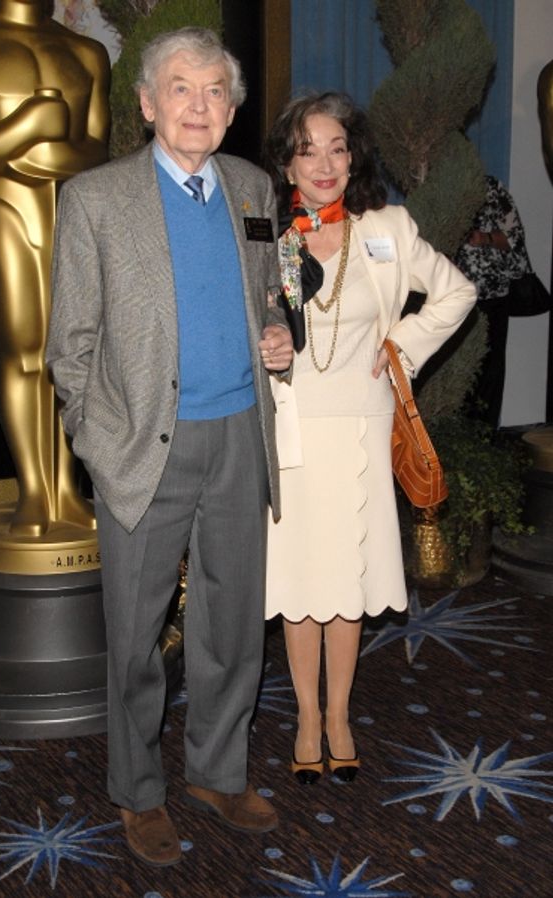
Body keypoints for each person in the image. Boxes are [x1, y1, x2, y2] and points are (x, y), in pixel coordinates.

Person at [46, 27, 293, 866]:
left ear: (232, 108)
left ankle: (218, 773)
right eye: (180, 88)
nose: (199, 105)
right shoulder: (95, 199)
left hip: (241, 436)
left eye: (215, 90)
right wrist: (98, 440)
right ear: (149, 104)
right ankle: (138, 791)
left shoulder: (254, 187)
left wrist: (278, 333)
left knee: (234, 625)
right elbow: (69, 346)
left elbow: (269, 295)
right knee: (136, 635)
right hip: (143, 448)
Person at [262, 92, 476, 785]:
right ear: (287, 163)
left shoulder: (387, 227)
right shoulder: (267, 235)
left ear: (354, 158)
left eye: (338, 148)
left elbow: (457, 292)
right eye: (308, 150)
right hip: (290, 426)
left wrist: (402, 345)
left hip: (359, 422)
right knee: (302, 578)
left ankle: (339, 716)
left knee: (348, 577)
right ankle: (305, 716)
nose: (324, 164)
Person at [0, 0, 111, 537]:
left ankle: (65, 489)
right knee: (23, 354)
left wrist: (26, 153)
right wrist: (30, 125)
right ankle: (34, 493)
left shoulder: (86, 53)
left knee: (72, 356)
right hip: (11, 213)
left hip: (75, 222)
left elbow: (96, 154)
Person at [454, 175, 532, 429]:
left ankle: (484, 435)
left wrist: (484, 238)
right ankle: (454, 434)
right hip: (451, 299)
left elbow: (514, 238)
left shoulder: (492, 190)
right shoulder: (440, 187)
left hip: (492, 296)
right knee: (454, 369)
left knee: (490, 371)